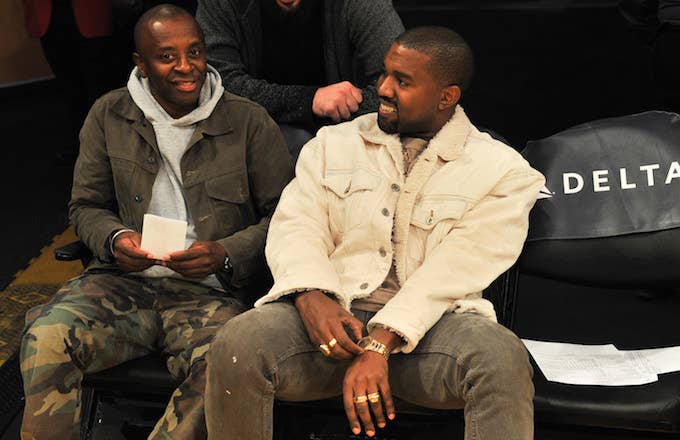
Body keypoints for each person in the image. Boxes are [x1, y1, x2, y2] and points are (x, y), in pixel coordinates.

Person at [204, 26, 545, 440]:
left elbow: (458, 268)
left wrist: (382, 342)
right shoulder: (333, 143)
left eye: (402, 81)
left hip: (429, 336)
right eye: (385, 74)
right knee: (239, 344)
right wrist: (311, 296)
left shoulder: (502, 172)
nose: (382, 88)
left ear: (446, 97)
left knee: (500, 358)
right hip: (332, 325)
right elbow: (297, 226)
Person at [19, 5, 292, 439]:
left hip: (211, 292)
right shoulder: (108, 115)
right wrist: (115, 238)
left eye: (196, 52)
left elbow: (286, 216)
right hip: (122, 281)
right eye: (168, 56)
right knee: (47, 336)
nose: (187, 67)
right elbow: (85, 206)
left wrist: (225, 253)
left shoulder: (247, 120)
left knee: (228, 361)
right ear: (141, 65)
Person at [195, 0, 404, 160]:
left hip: (349, 126)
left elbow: (401, 81)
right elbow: (219, 83)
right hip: (253, 127)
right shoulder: (223, 4)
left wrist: (339, 112)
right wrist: (308, 100)